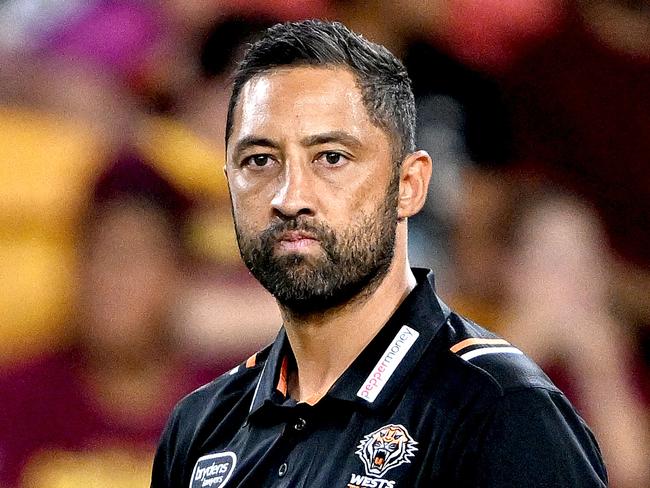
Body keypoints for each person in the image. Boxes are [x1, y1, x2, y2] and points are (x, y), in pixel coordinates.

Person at [151, 20, 607, 487]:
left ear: (409, 186)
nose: (289, 197)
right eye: (260, 160)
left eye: (331, 157)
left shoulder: (500, 409)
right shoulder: (200, 427)